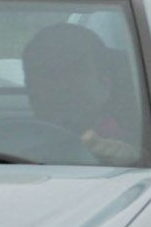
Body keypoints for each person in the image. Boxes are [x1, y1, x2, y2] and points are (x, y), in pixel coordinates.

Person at [22, 23, 143, 164]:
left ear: (105, 80)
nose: (60, 85)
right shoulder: (5, 143)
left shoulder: (148, 140)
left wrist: (130, 159)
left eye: (72, 71)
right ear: (29, 85)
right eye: (46, 73)